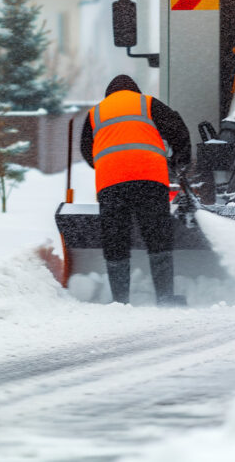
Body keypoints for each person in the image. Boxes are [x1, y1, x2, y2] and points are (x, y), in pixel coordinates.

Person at [81, 74, 192, 306]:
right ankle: (164, 296)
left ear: (109, 95)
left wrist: (106, 163)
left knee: (115, 238)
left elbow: (86, 150)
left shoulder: (95, 113)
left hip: (111, 183)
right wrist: (180, 161)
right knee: (157, 235)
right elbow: (178, 131)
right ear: (135, 91)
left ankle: (120, 301)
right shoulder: (147, 103)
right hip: (149, 179)